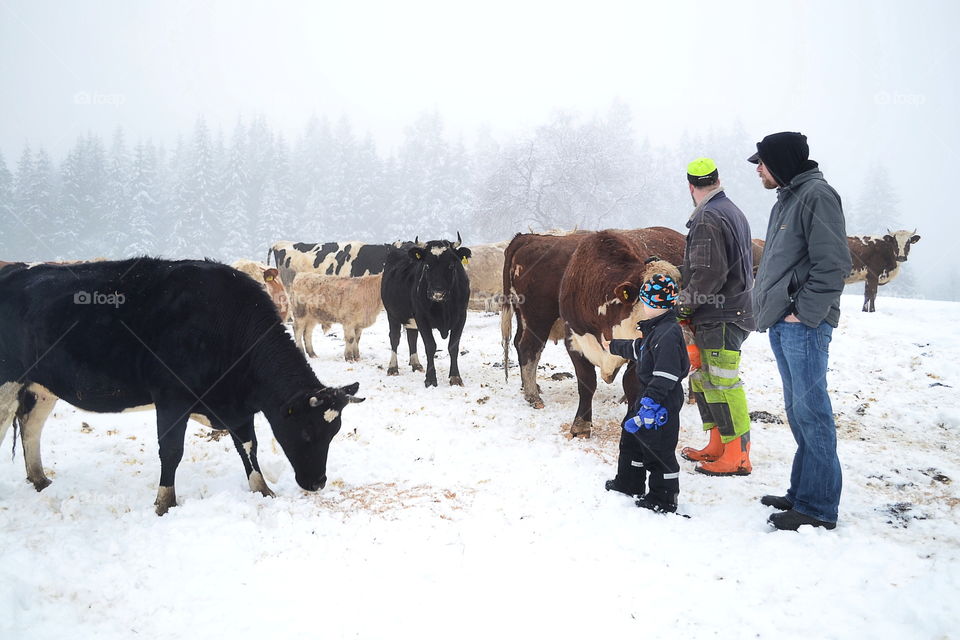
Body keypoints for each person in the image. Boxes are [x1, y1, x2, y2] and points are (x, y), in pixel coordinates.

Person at [749, 132, 851, 531]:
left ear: (781, 161)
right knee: (797, 412)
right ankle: (801, 492)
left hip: (803, 326)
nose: (758, 169)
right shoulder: (788, 197)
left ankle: (819, 507)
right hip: (784, 322)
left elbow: (833, 264)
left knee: (813, 414)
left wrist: (803, 314)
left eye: (762, 161)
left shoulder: (818, 196)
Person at [677, 158, 756, 476]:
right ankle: (718, 444)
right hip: (727, 309)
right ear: (717, 179)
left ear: (690, 186)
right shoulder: (731, 210)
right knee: (706, 380)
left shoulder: (708, 216)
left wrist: (683, 305)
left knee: (724, 383)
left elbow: (709, 272)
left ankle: (738, 455)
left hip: (720, 313)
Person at [602, 274, 689, 514]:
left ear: (655, 304)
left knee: (658, 450)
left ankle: (664, 499)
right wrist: (613, 345)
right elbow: (640, 349)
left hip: (661, 401)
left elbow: (666, 374)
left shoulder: (668, 334)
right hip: (647, 395)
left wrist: (651, 403)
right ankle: (629, 482)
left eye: (646, 303)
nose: (643, 307)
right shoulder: (656, 329)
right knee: (632, 439)